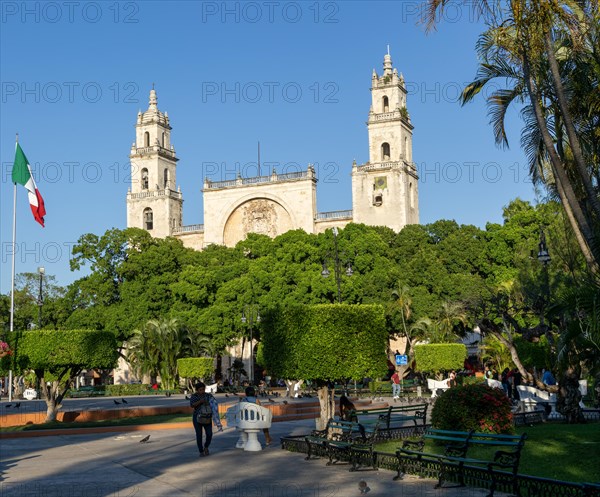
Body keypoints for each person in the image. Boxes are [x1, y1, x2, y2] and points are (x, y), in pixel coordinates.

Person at [189, 382, 222, 457]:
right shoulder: (194, 396)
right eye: (200, 390)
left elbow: (214, 403)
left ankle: (206, 446)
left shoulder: (208, 395)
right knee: (199, 435)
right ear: (197, 390)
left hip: (207, 417)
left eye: (203, 389)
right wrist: (200, 401)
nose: (202, 391)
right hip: (197, 417)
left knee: (209, 434)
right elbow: (192, 405)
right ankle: (201, 450)